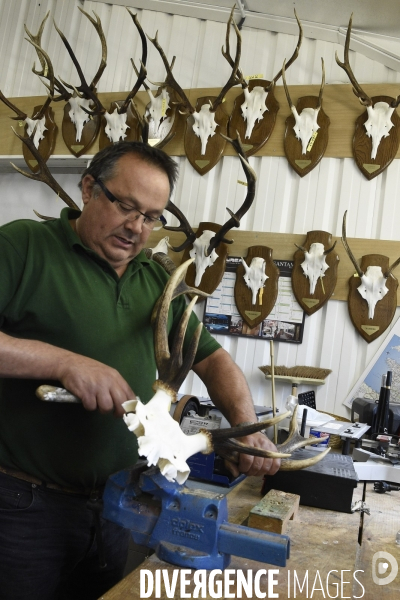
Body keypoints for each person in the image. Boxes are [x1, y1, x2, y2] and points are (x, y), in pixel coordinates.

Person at [0, 141, 280, 599]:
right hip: (23, 508)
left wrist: (245, 426)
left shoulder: (155, 278)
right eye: (125, 206)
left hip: (117, 506)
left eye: (151, 216)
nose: (136, 227)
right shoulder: (23, 246)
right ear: (89, 188)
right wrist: (65, 363)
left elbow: (213, 358)